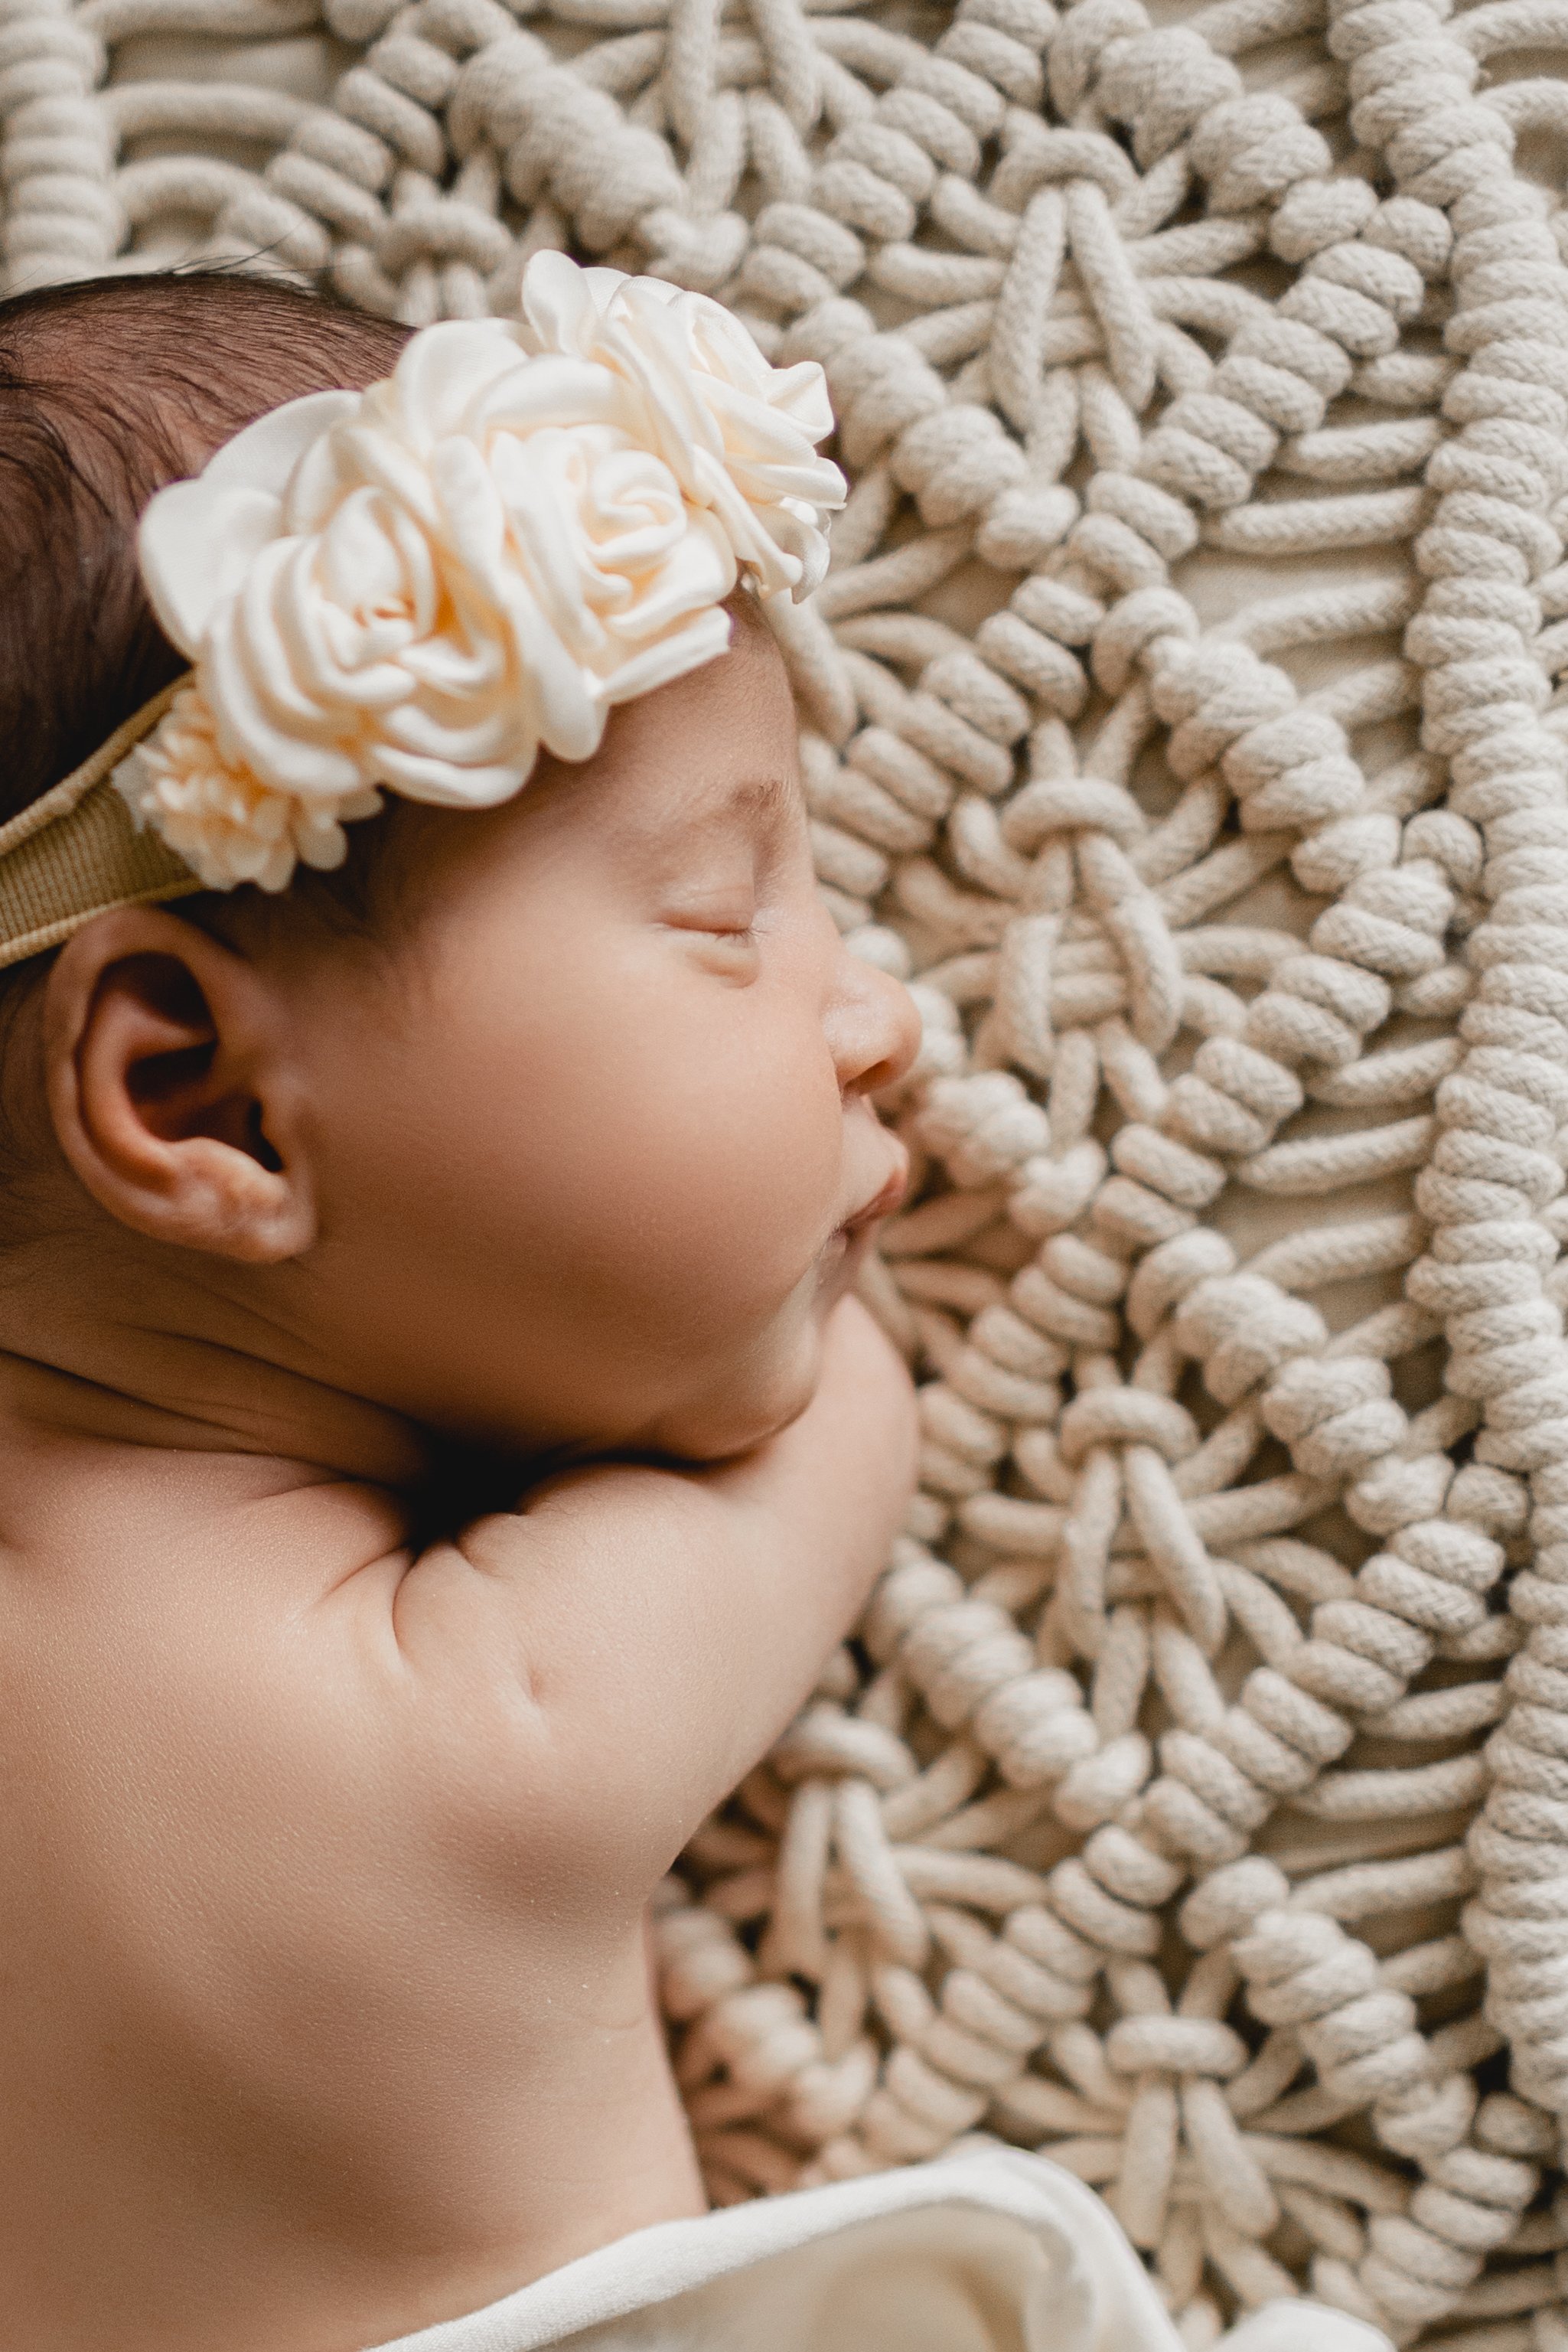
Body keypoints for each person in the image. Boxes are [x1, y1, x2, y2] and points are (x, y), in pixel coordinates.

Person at [0, 256, 1389, 2352]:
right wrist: (739, 1303)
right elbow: (821, 1415)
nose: (880, 1013)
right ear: (199, 1097)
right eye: (729, 908)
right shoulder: (484, 1732)